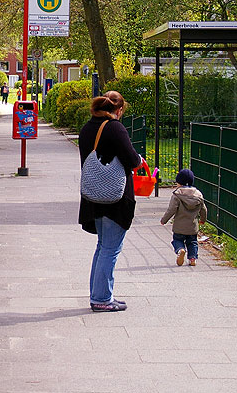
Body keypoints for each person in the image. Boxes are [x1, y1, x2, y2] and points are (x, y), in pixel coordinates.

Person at [78, 90, 140, 312]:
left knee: (103, 246)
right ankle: (102, 299)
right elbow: (131, 160)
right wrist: (139, 160)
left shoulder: (87, 128)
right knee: (110, 249)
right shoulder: (115, 128)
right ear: (119, 109)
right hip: (114, 198)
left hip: (94, 196)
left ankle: (99, 294)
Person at [160, 169, 208, 266]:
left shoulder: (177, 195)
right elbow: (204, 209)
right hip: (192, 226)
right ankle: (192, 258)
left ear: (179, 183)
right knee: (192, 242)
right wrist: (203, 220)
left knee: (177, 240)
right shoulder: (198, 195)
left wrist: (164, 220)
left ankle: (180, 250)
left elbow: (171, 209)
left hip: (179, 226)